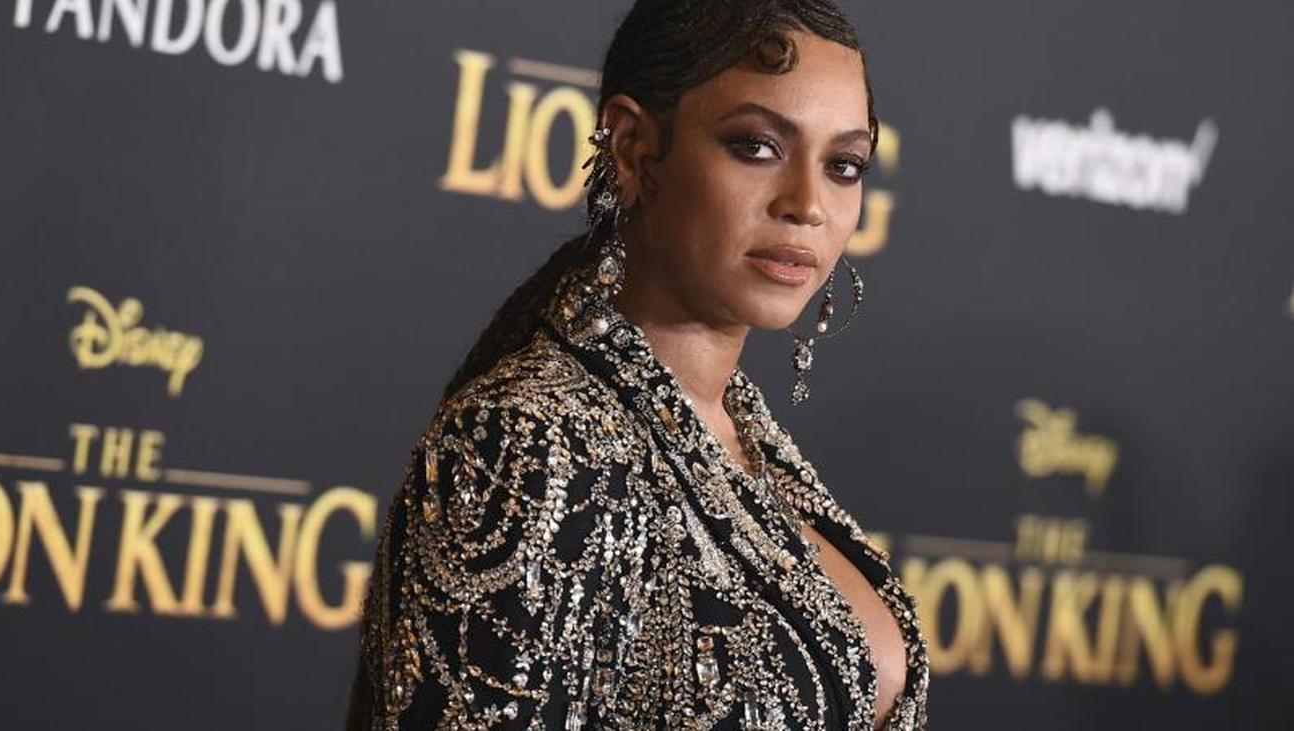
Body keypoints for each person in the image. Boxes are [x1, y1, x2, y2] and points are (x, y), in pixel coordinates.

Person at [345, 1, 930, 728]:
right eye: (756, 146)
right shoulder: (530, 443)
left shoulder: (745, 437)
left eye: (843, 166)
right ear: (631, 146)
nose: (808, 204)